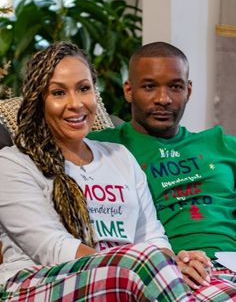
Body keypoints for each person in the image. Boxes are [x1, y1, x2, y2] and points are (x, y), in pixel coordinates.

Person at [0, 41, 199, 301]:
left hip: (129, 277)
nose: (76, 104)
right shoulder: (12, 163)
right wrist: (139, 265)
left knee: (220, 285)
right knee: (142, 267)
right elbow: (51, 248)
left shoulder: (120, 157)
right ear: (39, 101)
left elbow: (151, 236)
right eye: (59, 93)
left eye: (84, 89)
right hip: (36, 282)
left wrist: (177, 265)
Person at [89, 41, 236, 300]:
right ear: (129, 90)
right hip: (174, 273)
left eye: (175, 87)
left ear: (188, 90)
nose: (163, 99)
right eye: (149, 86)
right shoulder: (104, 148)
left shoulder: (222, 145)